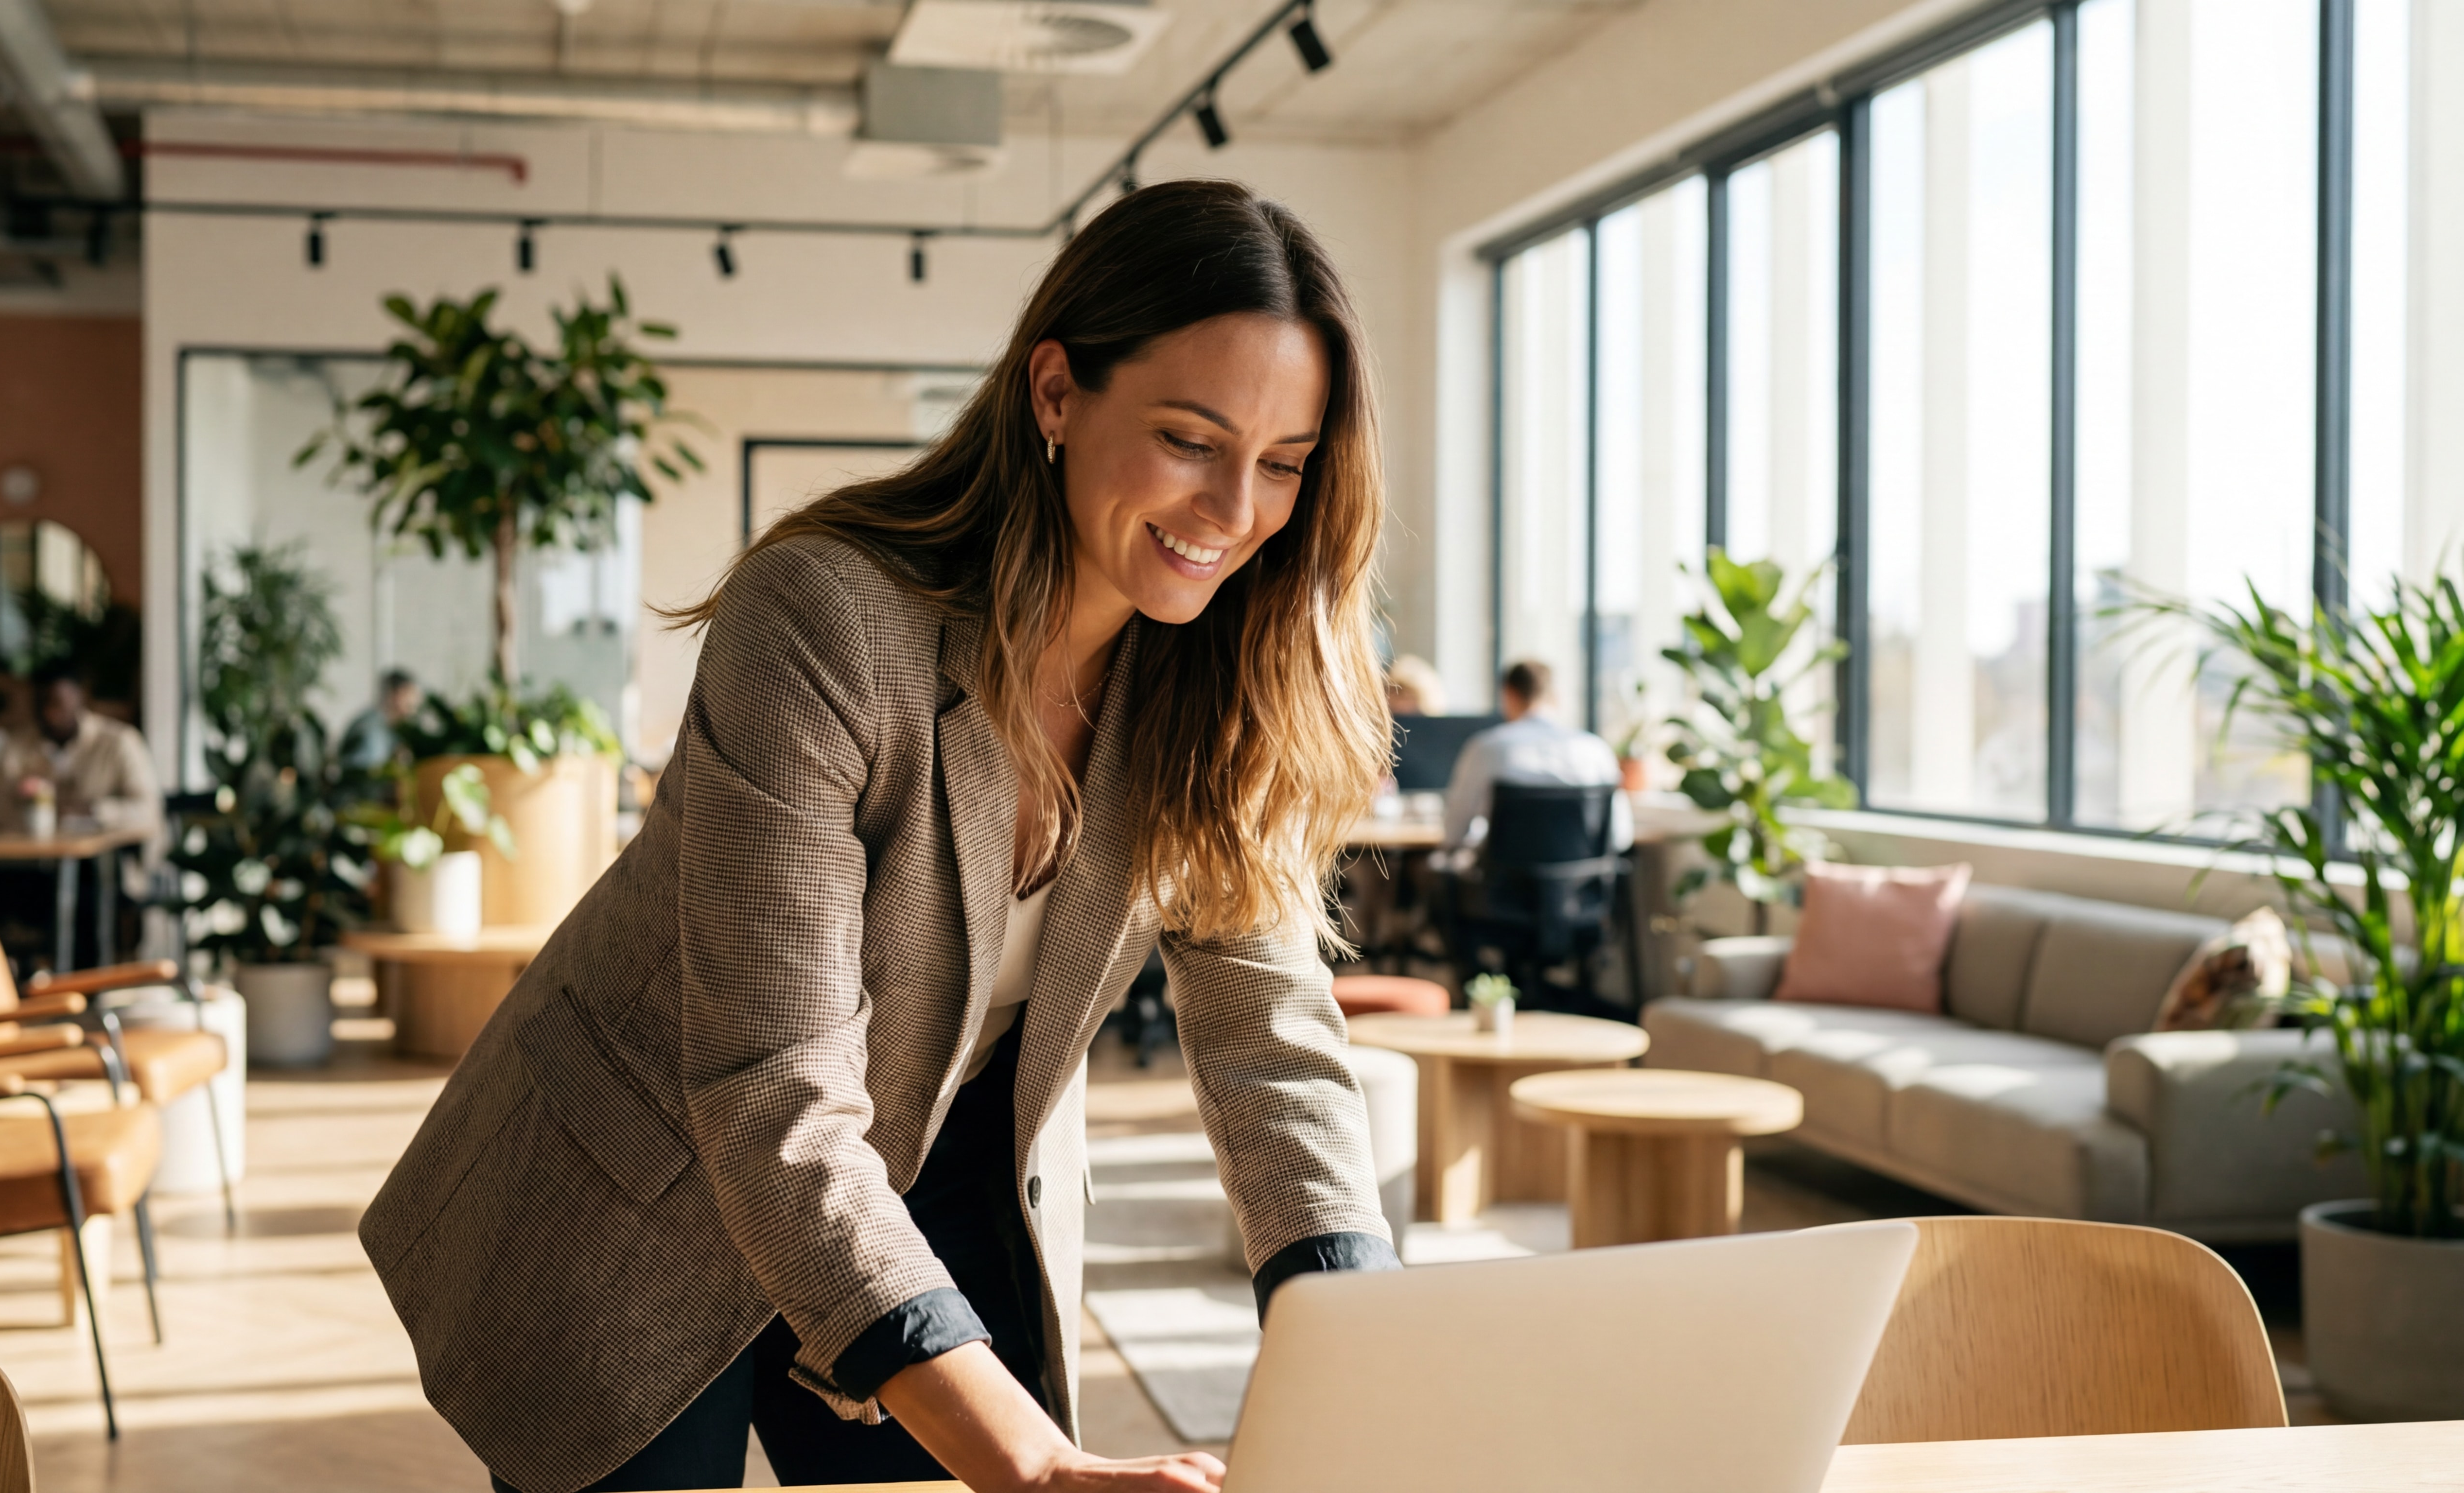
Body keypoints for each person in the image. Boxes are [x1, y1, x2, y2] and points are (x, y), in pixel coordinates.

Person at [360, 181, 1397, 1493]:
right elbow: (769, 1087)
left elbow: (1274, 1044)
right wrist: (1030, 1463)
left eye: (1286, 464)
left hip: (933, 1164)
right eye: (1191, 439)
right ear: (1058, 393)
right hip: (653, 1180)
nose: (1235, 510)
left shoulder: (1210, 686)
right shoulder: (829, 622)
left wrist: (1359, 1339)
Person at [1439, 659, 1630, 856]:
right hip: (1581, 883)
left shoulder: (1487, 748)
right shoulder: (1596, 750)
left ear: (1509, 696)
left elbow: (1454, 832)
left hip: (1506, 881)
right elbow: (1620, 836)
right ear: (1555, 696)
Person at [0, 664, 162, 847]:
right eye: (40, 703)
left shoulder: (119, 742)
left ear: (79, 697)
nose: (49, 713)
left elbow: (149, 811)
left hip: (103, 863)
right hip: (30, 860)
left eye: (57, 702)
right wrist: (39, 814)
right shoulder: (16, 745)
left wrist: (95, 811)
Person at [341, 667, 423, 768]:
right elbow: (368, 773)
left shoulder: (387, 729)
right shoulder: (372, 729)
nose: (416, 702)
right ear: (399, 694)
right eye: (411, 694)